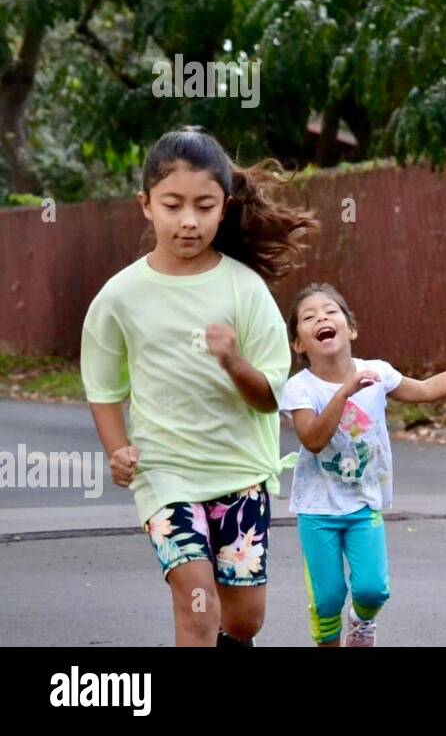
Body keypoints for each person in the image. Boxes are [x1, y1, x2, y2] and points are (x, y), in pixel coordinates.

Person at [80, 125, 317, 646]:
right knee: (198, 607)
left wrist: (234, 362)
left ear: (224, 207)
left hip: (239, 472)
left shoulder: (245, 289)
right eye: (172, 205)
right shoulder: (120, 297)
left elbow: (271, 396)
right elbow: (102, 385)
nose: (188, 221)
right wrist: (117, 449)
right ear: (146, 204)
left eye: (204, 206)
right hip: (164, 475)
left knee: (243, 620)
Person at [279, 283, 446, 646]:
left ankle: (362, 623)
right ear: (299, 344)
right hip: (317, 508)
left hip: (365, 502)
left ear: (350, 329)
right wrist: (344, 393)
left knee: (372, 591)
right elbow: (313, 440)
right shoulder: (300, 388)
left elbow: (426, 391)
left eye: (331, 311)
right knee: (328, 598)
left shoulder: (377, 373)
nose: (321, 317)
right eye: (309, 316)